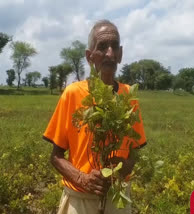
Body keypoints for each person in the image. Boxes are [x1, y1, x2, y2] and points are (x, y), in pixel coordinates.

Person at [43, 20, 147, 214]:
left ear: (120, 54)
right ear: (89, 56)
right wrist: (83, 179)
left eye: (114, 46)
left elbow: (135, 151)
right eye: (102, 47)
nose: (109, 53)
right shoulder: (72, 94)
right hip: (79, 200)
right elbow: (56, 157)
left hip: (117, 199)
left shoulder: (128, 98)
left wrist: (121, 170)